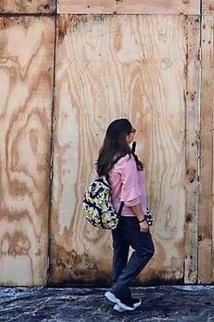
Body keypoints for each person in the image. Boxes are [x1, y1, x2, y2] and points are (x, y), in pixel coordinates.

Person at [96, 118, 154, 312]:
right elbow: (130, 196)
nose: (133, 134)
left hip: (114, 214)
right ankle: (119, 288)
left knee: (120, 250)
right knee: (145, 250)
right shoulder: (126, 160)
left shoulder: (108, 157)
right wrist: (141, 219)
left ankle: (122, 297)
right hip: (129, 214)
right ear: (125, 136)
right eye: (131, 131)